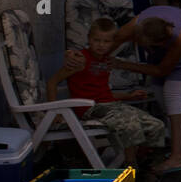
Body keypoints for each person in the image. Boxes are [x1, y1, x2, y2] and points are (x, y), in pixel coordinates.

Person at [47, 18, 166, 168]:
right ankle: (131, 166)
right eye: (97, 40)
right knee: (130, 123)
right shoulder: (80, 60)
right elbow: (52, 82)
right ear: (89, 39)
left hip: (110, 106)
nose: (101, 45)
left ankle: (145, 161)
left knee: (156, 125)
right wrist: (54, 112)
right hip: (90, 108)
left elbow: (102, 92)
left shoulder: (106, 61)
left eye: (106, 42)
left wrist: (128, 96)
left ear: (113, 43)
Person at [106, 5, 181, 175]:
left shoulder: (180, 36)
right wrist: (95, 58)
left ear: (161, 43)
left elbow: (163, 70)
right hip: (162, 38)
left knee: (173, 93)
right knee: (160, 92)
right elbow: (114, 40)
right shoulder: (135, 26)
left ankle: (178, 157)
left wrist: (123, 64)